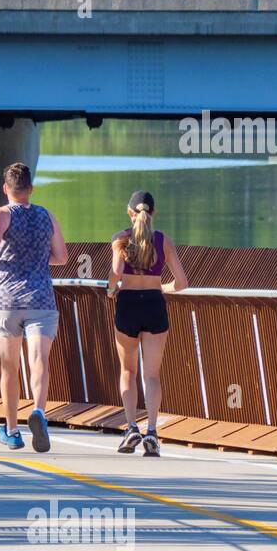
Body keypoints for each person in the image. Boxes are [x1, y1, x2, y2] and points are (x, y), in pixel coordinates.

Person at [0, 162, 67, 452]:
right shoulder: (47, 216)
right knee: (39, 360)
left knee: (9, 367)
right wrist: (35, 258)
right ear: (30, 189)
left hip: (8, 299)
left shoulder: (0, 213)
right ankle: (38, 411)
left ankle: (11, 431)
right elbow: (61, 257)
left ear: (5, 189)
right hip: (41, 298)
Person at [106, 190, 188, 457]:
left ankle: (131, 427)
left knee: (128, 371)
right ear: (153, 213)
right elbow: (182, 283)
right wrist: (161, 287)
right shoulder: (163, 241)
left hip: (128, 304)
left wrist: (111, 290)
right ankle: (152, 431)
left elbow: (114, 276)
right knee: (152, 375)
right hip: (154, 304)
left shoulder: (120, 239)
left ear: (130, 213)